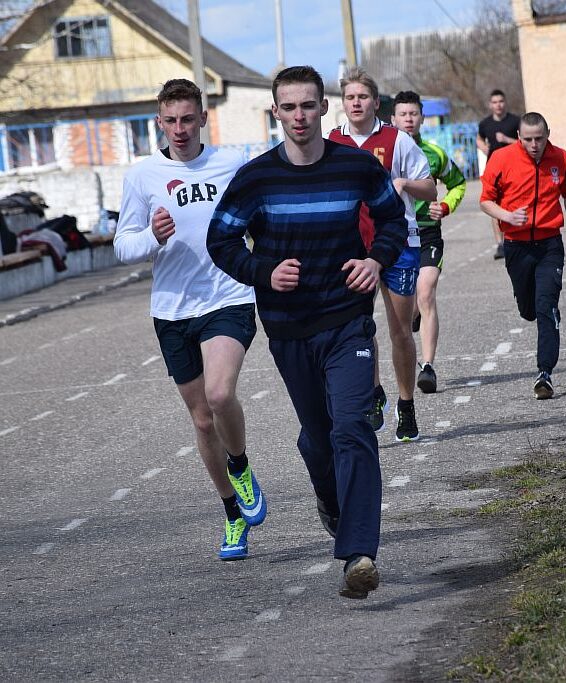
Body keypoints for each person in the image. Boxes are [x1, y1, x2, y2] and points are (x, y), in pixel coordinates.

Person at [207, 66, 408, 599]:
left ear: (325, 108)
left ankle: (360, 553)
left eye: (308, 106)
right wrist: (262, 271)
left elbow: (393, 220)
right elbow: (220, 241)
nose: (299, 116)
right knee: (319, 440)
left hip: (347, 319)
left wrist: (376, 260)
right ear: (277, 112)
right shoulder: (256, 179)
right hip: (290, 328)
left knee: (352, 427)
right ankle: (331, 503)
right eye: (288, 107)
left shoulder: (357, 167)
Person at [113, 79, 267, 562]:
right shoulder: (143, 176)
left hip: (228, 295)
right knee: (202, 421)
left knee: (221, 395)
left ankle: (239, 465)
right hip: (172, 309)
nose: (179, 129)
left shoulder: (231, 166)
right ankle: (231, 514)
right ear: (159, 123)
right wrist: (151, 238)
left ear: (203, 118)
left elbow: (261, 225)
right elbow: (122, 246)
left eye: (187, 119)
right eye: (170, 121)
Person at [329, 68, 436, 441]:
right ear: (341, 104)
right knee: (360, 329)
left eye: (362, 97)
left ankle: (406, 404)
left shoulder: (398, 140)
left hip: (398, 247)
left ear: (376, 102)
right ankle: (374, 393)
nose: (355, 103)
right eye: (349, 97)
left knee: (400, 331)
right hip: (351, 250)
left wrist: (404, 183)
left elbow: (430, 189)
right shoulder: (331, 143)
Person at [479, 112, 566, 399]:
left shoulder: (560, 158)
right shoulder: (501, 159)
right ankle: (533, 309)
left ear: (548, 133)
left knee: (546, 306)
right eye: (528, 139)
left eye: (539, 138)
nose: (534, 145)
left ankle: (544, 373)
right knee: (528, 309)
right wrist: (508, 216)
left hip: (550, 244)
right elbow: (486, 201)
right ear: (520, 137)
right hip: (516, 245)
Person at [391, 90, 467, 394]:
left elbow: (458, 183)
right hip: (396, 235)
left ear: (422, 117)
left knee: (426, 292)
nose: (409, 120)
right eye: (403, 114)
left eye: (414, 114)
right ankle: (415, 315)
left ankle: (428, 367)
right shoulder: (384, 154)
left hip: (427, 233)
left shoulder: (435, 154)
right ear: (393, 119)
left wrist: (446, 204)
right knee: (409, 304)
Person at [476, 90, 522, 260]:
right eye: (494, 102)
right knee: (494, 206)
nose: (498, 105)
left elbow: (525, 141)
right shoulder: (485, 124)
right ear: (490, 104)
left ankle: (517, 240)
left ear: (505, 102)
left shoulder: (516, 121)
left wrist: (507, 140)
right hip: (493, 171)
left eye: (501, 101)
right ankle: (500, 244)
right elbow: (479, 138)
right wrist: (483, 147)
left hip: (514, 169)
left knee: (515, 203)